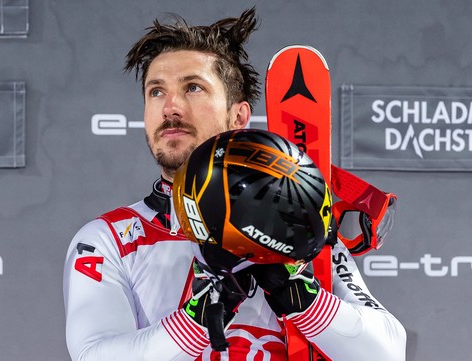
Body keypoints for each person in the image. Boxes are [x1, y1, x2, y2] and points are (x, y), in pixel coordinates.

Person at [63, 7, 407, 361]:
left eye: (192, 87)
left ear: (238, 116)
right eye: (156, 92)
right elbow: (95, 354)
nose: (170, 107)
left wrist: (304, 298)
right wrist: (198, 318)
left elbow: (387, 352)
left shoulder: (296, 223)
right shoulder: (110, 238)